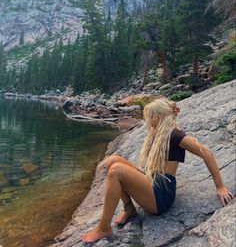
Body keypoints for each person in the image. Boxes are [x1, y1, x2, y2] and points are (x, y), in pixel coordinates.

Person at [80, 96, 234, 243]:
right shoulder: (158, 134)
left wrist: (220, 186)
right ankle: (129, 209)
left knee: (116, 171)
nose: (148, 120)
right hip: (152, 181)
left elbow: (207, 153)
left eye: (150, 116)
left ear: (160, 116)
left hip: (162, 194)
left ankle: (104, 228)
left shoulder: (176, 135)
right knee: (113, 160)